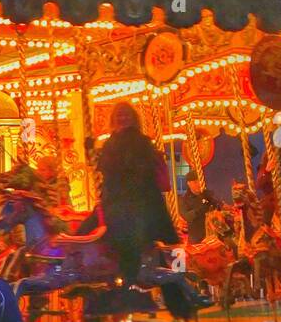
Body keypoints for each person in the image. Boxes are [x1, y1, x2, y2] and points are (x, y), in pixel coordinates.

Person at [95, 101, 178, 282]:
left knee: (136, 235)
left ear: (133, 119)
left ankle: (171, 278)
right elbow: (105, 171)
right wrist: (94, 153)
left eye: (126, 115)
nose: (122, 118)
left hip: (138, 201)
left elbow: (141, 172)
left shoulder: (141, 142)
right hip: (116, 200)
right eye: (119, 115)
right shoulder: (110, 143)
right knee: (90, 230)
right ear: (113, 119)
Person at [179, 176, 223, 243]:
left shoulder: (206, 195)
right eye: (195, 182)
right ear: (189, 183)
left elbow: (219, 206)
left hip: (211, 233)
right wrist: (199, 210)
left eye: (199, 181)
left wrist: (214, 203)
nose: (198, 184)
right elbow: (187, 216)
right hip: (197, 236)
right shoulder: (185, 199)